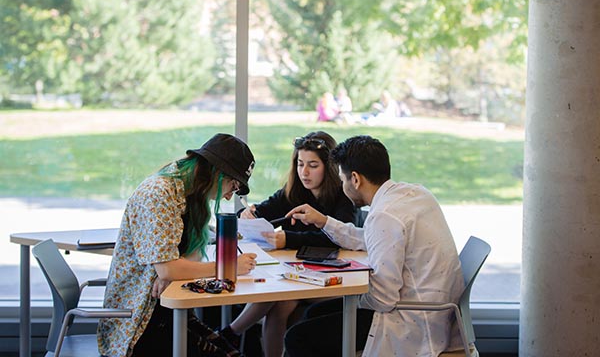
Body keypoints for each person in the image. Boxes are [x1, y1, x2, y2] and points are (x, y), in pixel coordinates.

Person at [284, 135, 465, 356]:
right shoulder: (415, 195)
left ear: (356, 179)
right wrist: (323, 221)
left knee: (297, 337)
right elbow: (371, 239)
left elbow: (383, 298)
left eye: (342, 180)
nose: (342, 187)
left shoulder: (384, 215)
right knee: (314, 312)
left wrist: (350, 294)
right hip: (433, 312)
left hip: (410, 319)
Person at [98, 133, 258, 357]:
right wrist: (228, 265)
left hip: (165, 311)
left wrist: (170, 271)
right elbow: (170, 269)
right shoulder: (158, 194)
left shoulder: (189, 193)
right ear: (217, 173)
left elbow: (184, 261)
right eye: (234, 186)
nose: (230, 196)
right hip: (137, 324)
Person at [220, 131, 359, 357]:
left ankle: (229, 333)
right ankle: (230, 334)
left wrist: (288, 239)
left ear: (329, 166)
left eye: (313, 165)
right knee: (281, 305)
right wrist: (246, 213)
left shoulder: (343, 197)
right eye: (300, 163)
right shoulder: (293, 192)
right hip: (298, 276)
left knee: (280, 294)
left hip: (333, 278)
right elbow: (261, 211)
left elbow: (339, 238)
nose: (304, 172)